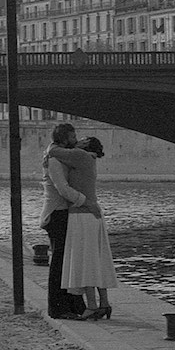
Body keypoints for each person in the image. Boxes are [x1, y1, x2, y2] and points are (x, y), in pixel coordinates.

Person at [48, 136, 119, 321]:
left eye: (82, 139)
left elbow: (53, 150)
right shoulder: (90, 160)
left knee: (85, 261)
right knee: (97, 260)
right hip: (93, 214)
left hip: (81, 214)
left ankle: (92, 306)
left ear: (87, 145)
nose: (78, 140)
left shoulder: (80, 155)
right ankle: (104, 303)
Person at [40, 123, 87, 320]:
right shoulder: (54, 161)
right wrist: (85, 201)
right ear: (64, 138)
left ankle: (73, 305)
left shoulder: (60, 157)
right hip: (56, 214)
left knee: (67, 262)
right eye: (73, 136)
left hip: (63, 214)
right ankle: (57, 308)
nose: (75, 139)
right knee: (59, 263)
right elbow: (62, 188)